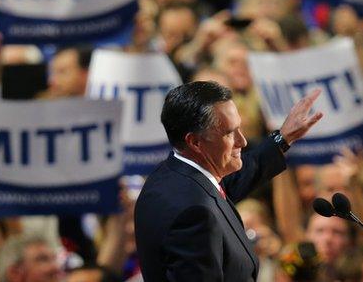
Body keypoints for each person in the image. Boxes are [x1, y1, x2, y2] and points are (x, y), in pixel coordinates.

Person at [134, 81, 322, 281]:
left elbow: (227, 185)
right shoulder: (194, 214)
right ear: (195, 142)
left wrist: (282, 139)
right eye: (230, 133)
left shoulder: (174, 175)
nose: (243, 141)